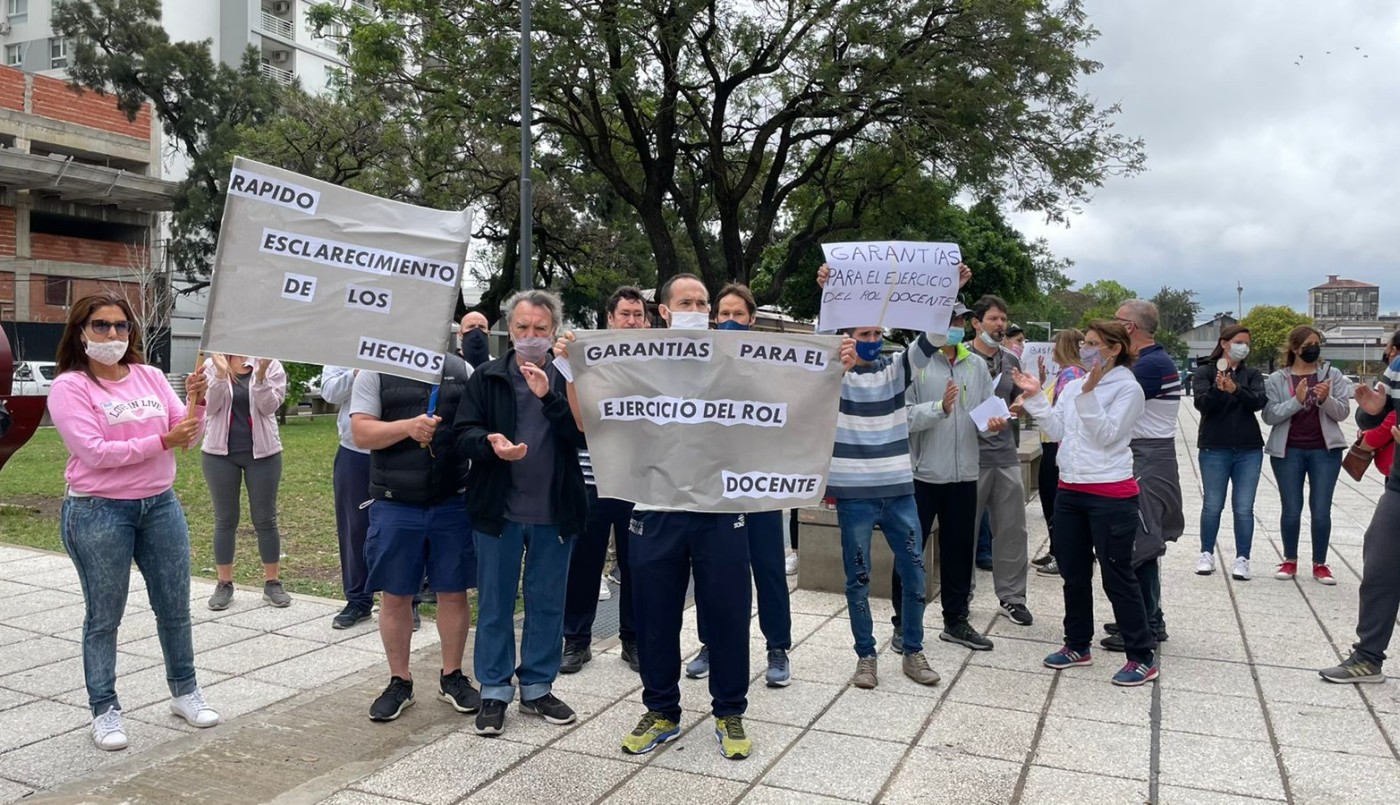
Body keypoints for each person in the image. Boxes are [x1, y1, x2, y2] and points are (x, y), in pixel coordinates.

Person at [47, 292, 221, 750]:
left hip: (159, 505)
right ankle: (104, 709)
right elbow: (94, 453)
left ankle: (185, 691)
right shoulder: (70, 386)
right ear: (80, 332)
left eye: (121, 326)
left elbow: (186, 436)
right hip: (97, 509)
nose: (112, 335)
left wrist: (196, 404)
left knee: (174, 606)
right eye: (101, 326)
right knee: (104, 616)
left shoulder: (149, 375)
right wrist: (162, 439)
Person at [607, 273, 754, 760]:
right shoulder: (636, 363)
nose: (697, 308)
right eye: (686, 301)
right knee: (654, 616)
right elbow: (595, 416)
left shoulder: (729, 361)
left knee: (729, 614)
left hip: (719, 508)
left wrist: (828, 368)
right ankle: (662, 710)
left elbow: (786, 397)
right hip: (655, 509)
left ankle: (729, 711)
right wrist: (573, 364)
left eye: (703, 301)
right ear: (663, 311)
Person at [455, 289, 588, 737]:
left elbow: (584, 436)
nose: (531, 337)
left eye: (540, 329)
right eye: (522, 328)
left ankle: (536, 687)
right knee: (494, 602)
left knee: (547, 603)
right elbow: (463, 432)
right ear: (508, 330)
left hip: (554, 511)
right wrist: (490, 445)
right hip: (499, 511)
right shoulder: (488, 377)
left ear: (555, 331)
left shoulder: (572, 377)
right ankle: (493, 690)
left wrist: (550, 394)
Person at [1015, 321, 1158, 687]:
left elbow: (1108, 435)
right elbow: (1058, 429)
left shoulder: (1129, 389)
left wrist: (1090, 395)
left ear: (1115, 349)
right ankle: (1077, 644)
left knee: (1117, 574)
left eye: (1095, 344)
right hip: (1071, 489)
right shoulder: (1076, 384)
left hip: (1110, 492)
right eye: (1085, 343)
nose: (1086, 349)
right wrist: (1034, 396)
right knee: (1073, 573)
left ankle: (1141, 654)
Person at [350, 350, 479, 722]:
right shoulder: (376, 370)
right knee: (396, 596)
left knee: (453, 593)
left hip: (451, 500)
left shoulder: (461, 369)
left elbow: (475, 424)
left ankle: (452, 677)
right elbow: (361, 432)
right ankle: (399, 681)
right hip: (395, 503)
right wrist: (407, 427)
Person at [684, 283, 794, 687]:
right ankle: (711, 643)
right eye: (724, 315)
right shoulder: (700, 362)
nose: (730, 321)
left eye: (739, 315)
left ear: (752, 319)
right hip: (714, 484)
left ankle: (777, 647)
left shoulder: (774, 364)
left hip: (760, 483)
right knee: (712, 570)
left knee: (768, 568)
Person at [903, 301, 1000, 655]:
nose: (955, 324)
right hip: (922, 474)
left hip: (965, 475)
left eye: (958, 319)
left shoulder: (976, 365)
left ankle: (956, 621)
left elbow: (985, 414)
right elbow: (902, 416)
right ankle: (904, 623)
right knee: (910, 553)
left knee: (959, 551)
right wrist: (938, 409)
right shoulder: (914, 361)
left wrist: (995, 424)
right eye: (948, 319)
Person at [561, 285, 648, 676]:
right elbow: (581, 421)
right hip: (591, 477)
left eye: (638, 314)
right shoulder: (586, 357)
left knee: (637, 564)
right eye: (625, 314)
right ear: (609, 318)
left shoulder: (656, 361)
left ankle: (633, 639)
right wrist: (571, 364)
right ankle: (576, 641)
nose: (631, 321)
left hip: (637, 479)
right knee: (583, 562)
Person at [1100, 299, 1183, 653]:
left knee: (1141, 541)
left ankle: (1145, 623)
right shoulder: (1151, 361)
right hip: (1147, 454)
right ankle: (1148, 616)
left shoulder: (1148, 366)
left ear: (1130, 328)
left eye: (1115, 322)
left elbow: (1107, 401)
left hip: (1148, 457)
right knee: (1141, 539)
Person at [1322, 346, 1400, 683]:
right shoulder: (1398, 367)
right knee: (1380, 564)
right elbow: (1381, 415)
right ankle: (1368, 657)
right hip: (1398, 484)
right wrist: (1373, 411)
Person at [200, 353, 290, 610]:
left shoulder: (270, 363)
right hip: (219, 454)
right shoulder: (211, 364)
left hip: (263, 454)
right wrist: (219, 374)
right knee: (225, 519)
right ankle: (224, 584)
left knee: (265, 518)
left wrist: (260, 377)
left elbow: (269, 407)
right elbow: (210, 407)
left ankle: (272, 582)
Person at [1262, 325, 1351, 584]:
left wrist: (1325, 399)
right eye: (1308, 344)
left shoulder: (1332, 375)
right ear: (1294, 348)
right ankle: (1290, 560)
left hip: (1325, 451)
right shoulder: (1278, 379)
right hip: (1288, 451)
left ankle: (1320, 564)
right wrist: (1297, 401)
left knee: (1321, 509)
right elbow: (1269, 415)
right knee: (1291, 508)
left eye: (1317, 342)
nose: (1313, 348)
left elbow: (1343, 412)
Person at [967, 295, 1033, 627]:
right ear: (976, 323)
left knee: (1012, 530)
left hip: (1005, 454)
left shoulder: (1011, 361)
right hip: (968, 457)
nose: (1000, 325)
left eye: (1003, 319)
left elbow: (1019, 398)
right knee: (964, 530)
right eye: (993, 319)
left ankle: (1012, 597)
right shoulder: (960, 357)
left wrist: (1022, 403)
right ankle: (960, 595)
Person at [1191, 325, 1266, 580]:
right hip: (1214, 446)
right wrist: (1217, 390)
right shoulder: (1204, 371)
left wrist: (1236, 390)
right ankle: (1206, 553)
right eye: (1238, 341)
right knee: (1212, 504)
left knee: (1244, 507)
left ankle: (1242, 558)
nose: (1243, 346)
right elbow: (1201, 404)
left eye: (1247, 342)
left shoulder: (1253, 374)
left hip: (1248, 448)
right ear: (1224, 343)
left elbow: (1258, 402)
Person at [1030, 329, 1086, 576]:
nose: (1052, 351)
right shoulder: (1070, 373)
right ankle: (1057, 550)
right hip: (1052, 444)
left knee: (1054, 503)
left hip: (1056, 446)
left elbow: (1059, 416)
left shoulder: (1071, 374)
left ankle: (1062, 553)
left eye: (1056, 346)